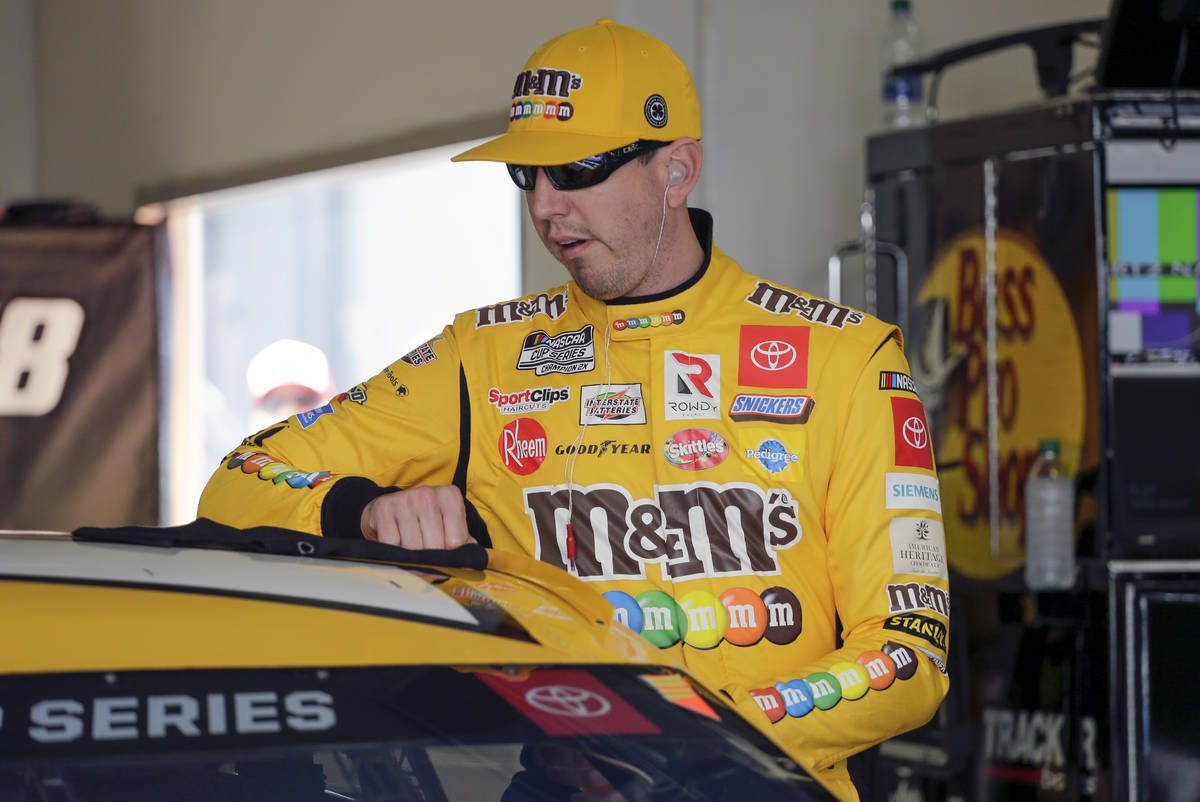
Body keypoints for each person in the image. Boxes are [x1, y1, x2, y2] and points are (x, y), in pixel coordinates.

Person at [198, 18, 948, 801]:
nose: (547, 207)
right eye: (527, 175)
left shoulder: (845, 358)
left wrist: (683, 736)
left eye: (576, 171)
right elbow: (237, 481)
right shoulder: (483, 357)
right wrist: (361, 509)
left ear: (677, 170)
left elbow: (907, 656)